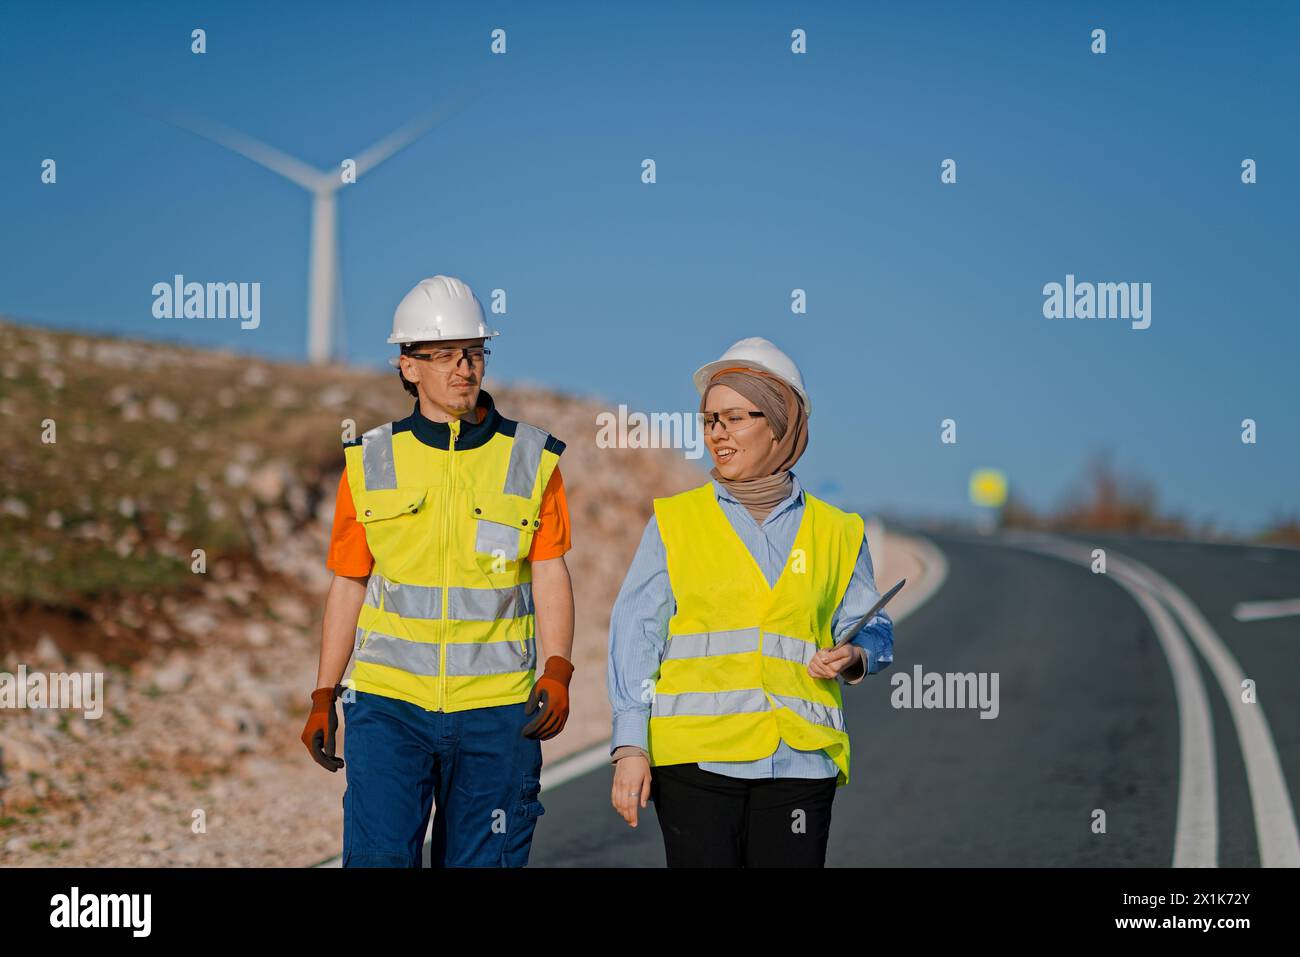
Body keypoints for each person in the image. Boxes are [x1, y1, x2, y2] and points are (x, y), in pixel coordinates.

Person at [300, 275, 576, 867]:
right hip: (388, 708)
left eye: (474, 352)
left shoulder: (531, 459)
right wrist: (324, 693)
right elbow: (349, 582)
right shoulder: (370, 461)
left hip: (499, 711)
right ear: (408, 366)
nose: (464, 368)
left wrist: (558, 668)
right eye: (445, 355)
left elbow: (550, 572)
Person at [607, 337, 893, 867]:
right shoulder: (676, 521)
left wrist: (855, 656)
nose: (717, 433)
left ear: (780, 423)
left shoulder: (838, 531)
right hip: (695, 762)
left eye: (735, 417)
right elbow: (636, 635)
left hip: (801, 763)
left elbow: (873, 627)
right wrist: (630, 746)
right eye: (710, 419)